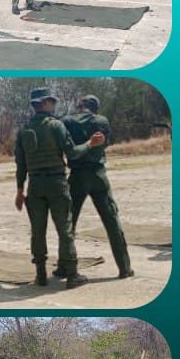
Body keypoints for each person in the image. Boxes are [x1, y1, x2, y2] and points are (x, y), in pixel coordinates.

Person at [14, 88, 105, 289]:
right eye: (52, 102)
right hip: (56, 183)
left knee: (37, 232)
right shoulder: (56, 126)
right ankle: (72, 275)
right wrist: (90, 143)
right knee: (65, 230)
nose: (54, 105)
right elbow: (72, 153)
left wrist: (20, 190)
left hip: (34, 185)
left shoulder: (23, 130)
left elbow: (20, 164)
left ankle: (40, 275)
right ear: (45, 103)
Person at [62, 95, 134, 279]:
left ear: (81, 105)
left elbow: (63, 145)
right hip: (99, 175)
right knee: (112, 221)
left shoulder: (67, 121)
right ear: (95, 108)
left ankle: (65, 266)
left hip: (77, 176)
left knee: (68, 223)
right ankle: (124, 267)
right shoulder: (102, 121)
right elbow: (105, 144)